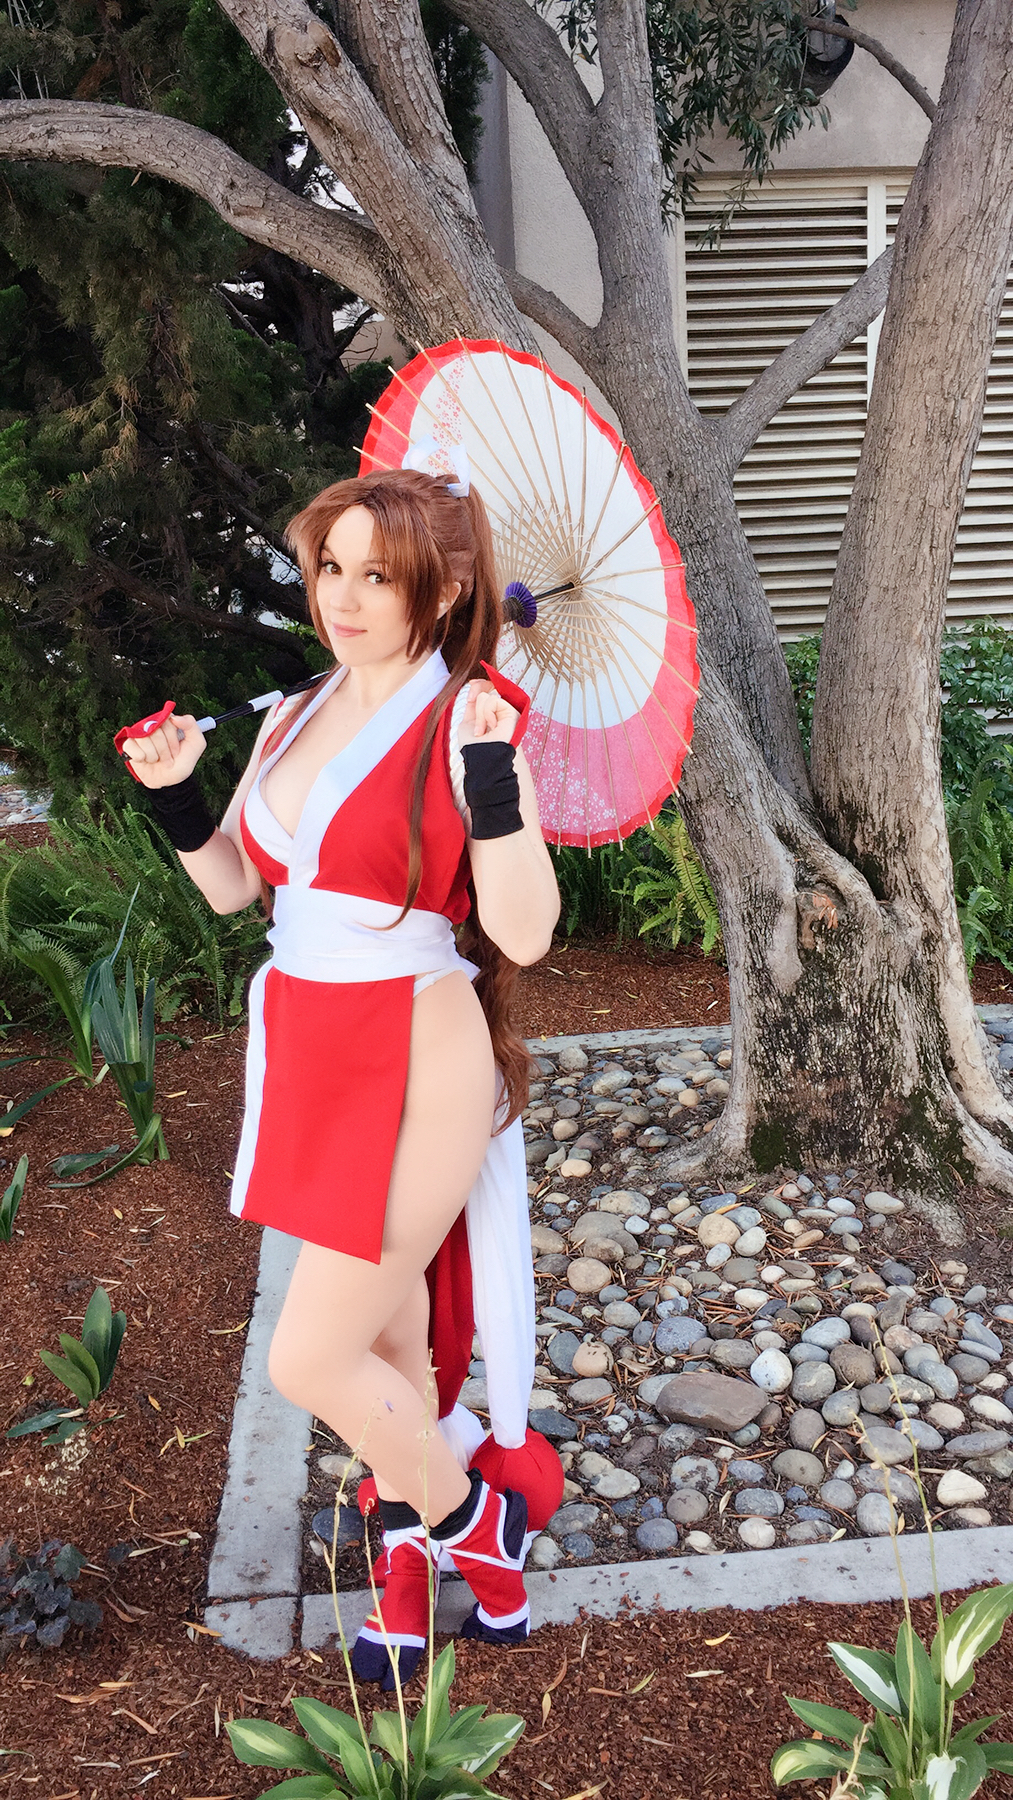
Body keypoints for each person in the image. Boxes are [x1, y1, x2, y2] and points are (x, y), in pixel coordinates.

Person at [116, 468, 562, 1686]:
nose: (344, 599)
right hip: (311, 1052)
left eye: (379, 575)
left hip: (417, 1052)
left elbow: (523, 933)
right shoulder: (292, 713)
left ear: (446, 589)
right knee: (392, 1347)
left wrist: (492, 781)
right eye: (329, 569)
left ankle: (479, 1521)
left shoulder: (469, 718)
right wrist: (178, 798)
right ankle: (430, 1580)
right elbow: (235, 887)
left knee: (308, 1358)